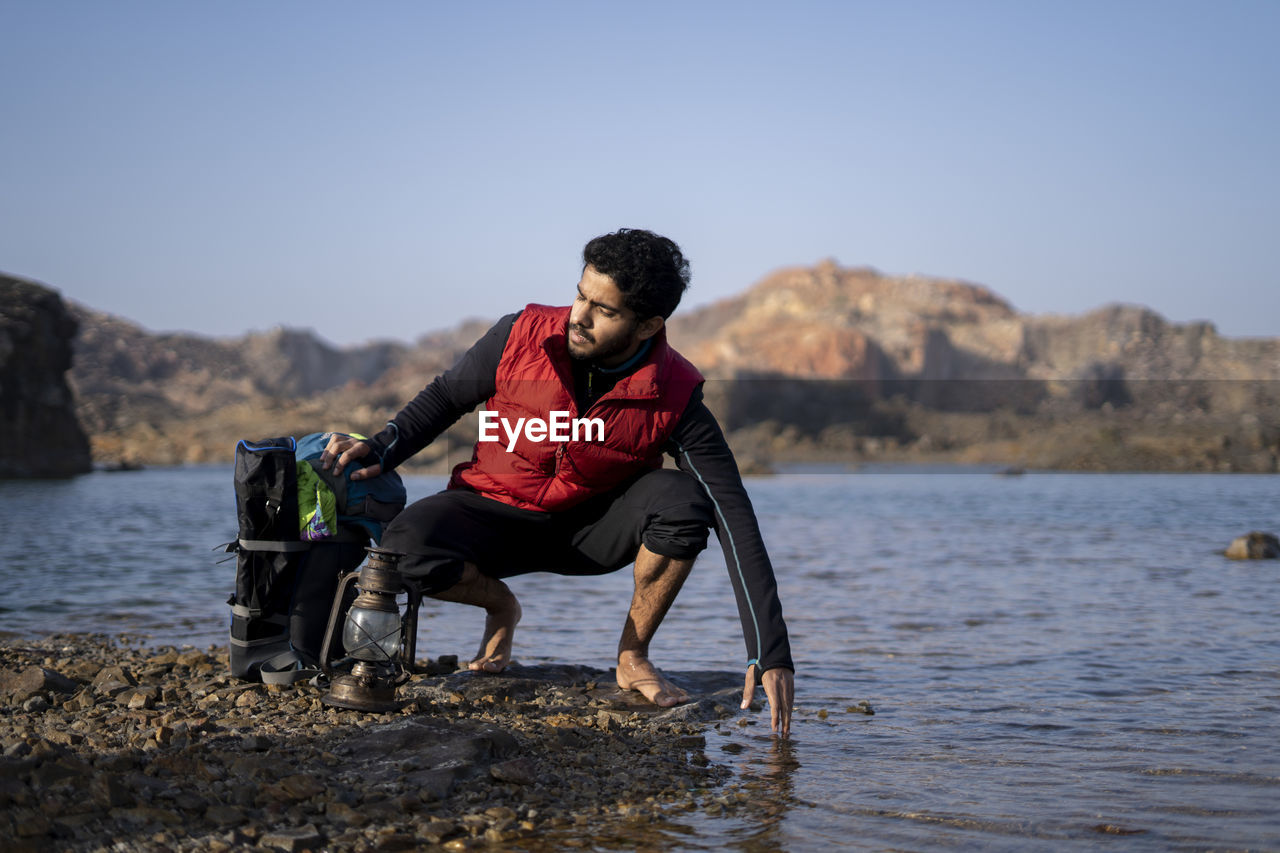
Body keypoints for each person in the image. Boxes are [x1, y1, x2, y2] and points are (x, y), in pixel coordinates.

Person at [320, 229, 795, 735]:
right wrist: (382, 444)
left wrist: (768, 650)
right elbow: (444, 400)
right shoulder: (520, 333)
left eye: (604, 310)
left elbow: (732, 509)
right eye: (580, 295)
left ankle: (633, 656)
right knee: (403, 549)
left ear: (648, 325)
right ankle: (501, 605)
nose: (579, 316)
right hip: (492, 513)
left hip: (590, 532)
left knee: (684, 501)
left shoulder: (675, 392)